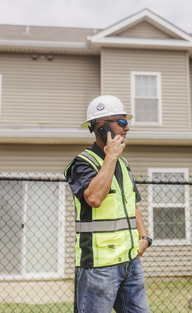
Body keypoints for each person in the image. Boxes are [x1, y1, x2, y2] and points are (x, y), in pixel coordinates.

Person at [64, 95, 151, 313]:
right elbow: (94, 198)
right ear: (102, 127)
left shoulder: (123, 164)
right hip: (98, 266)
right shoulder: (82, 163)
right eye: (121, 122)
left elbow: (132, 203)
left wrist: (144, 236)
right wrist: (110, 157)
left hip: (130, 261)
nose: (127, 128)